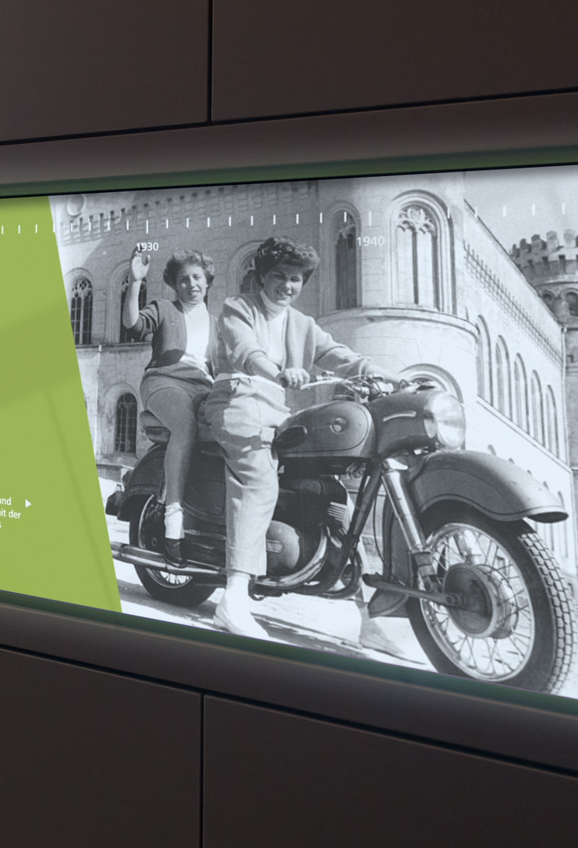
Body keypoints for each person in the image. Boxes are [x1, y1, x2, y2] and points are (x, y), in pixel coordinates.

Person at [199, 237, 401, 640]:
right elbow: (245, 349)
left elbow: (340, 354)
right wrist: (276, 371)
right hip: (237, 399)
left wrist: (384, 374)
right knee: (257, 477)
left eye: (296, 279)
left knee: (333, 491)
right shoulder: (238, 307)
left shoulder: (304, 325)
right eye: (279, 277)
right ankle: (233, 598)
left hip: (278, 409)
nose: (287, 286)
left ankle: (367, 617)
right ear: (261, 277)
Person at [121, 246, 216, 567]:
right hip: (164, 381)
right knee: (185, 427)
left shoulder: (218, 323)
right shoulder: (164, 308)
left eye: (197, 277)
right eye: (184, 279)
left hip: (204, 388)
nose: (191, 284)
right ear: (176, 285)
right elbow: (133, 325)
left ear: (207, 281)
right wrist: (136, 282)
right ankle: (171, 517)